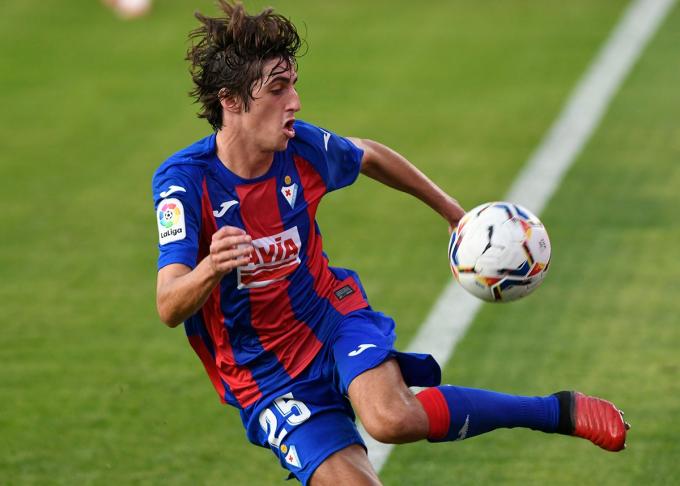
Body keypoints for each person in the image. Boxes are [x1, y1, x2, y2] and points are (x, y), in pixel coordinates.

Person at [152, 2, 629, 484]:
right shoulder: (183, 184)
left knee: (390, 418)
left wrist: (451, 211)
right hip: (264, 374)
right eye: (278, 89)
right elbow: (169, 305)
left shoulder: (302, 149)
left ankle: (556, 411)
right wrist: (210, 268)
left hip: (329, 317)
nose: (294, 101)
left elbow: (370, 155)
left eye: (293, 84)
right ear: (231, 100)